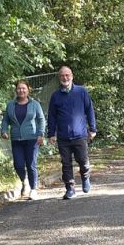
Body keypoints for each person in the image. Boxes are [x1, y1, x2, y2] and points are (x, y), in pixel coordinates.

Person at [47, 66, 97, 199]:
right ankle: (70, 188)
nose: (65, 78)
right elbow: (52, 116)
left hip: (80, 135)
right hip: (63, 136)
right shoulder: (55, 96)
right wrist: (51, 134)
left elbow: (89, 110)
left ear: (72, 76)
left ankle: (85, 177)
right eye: (62, 75)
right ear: (59, 78)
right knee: (66, 164)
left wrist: (93, 129)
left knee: (83, 160)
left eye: (67, 75)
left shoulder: (81, 92)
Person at [1, 80, 45, 200]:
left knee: (31, 164)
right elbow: (5, 120)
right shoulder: (10, 105)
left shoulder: (35, 104)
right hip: (16, 139)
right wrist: (4, 130)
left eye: (23, 88)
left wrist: (40, 134)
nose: (21, 90)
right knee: (18, 164)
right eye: (19, 88)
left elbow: (41, 119)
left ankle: (33, 189)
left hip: (32, 138)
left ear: (28, 89)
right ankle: (24, 180)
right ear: (16, 90)